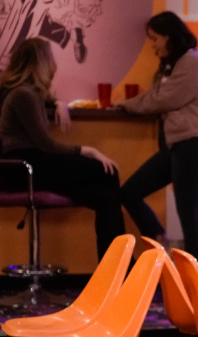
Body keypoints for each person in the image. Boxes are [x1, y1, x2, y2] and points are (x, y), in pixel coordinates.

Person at [0, 37, 123, 259]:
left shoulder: (22, 92)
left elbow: (42, 100)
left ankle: (114, 265)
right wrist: (88, 150)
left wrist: (57, 103)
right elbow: (46, 144)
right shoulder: (23, 95)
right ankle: (118, 263)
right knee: (107, 171)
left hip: (28, 167)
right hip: (24, 168)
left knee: (104, 197)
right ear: (41, 63)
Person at [117, 11, 198, 263]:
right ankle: (161, 242)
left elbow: (163, 99)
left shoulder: (192, 61)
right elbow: (156, 97)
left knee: (187, 209)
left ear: (169, 36)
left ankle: (196, 267)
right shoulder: (170, 65)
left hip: (192, 143)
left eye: (154, 38)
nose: (152, 45)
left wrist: (125, 105)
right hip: (176, 145)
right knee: (130, 192)